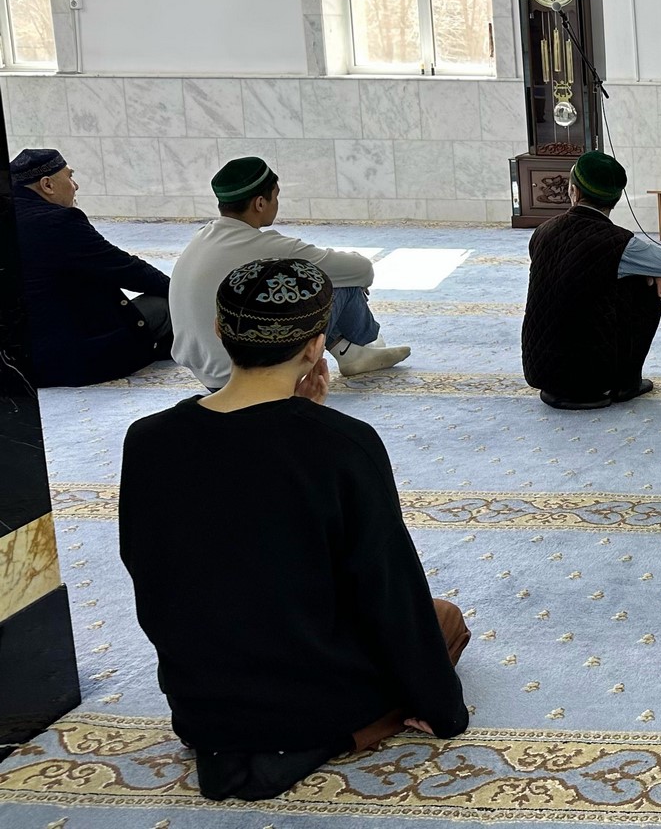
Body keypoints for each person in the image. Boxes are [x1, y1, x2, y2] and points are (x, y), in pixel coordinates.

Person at [119, 258, 470, 802]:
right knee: (443, 619)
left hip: (201, 706)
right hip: (311, 700)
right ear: (315, 347)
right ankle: (320, 739)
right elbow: (388, 591)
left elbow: (153, 568)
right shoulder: (344, 445)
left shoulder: (147, 439)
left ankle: (242, 745)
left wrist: (301, 419)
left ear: (220, 329)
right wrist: (443, 709)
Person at [171, 157, 409, 390]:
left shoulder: (201, 237)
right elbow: (362, 269)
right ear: (260, 203)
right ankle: (367, 342)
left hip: (208, 376)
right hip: (253, 376)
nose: (277, 203)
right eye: (276, 196)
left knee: (301, 286)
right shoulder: (270, 247)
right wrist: (350, 277)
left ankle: (347, 351)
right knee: (339, 282)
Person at [522, 151, 661, 410]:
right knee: (644, 287)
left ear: (573, 191)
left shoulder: (543, 231)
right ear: (616, 199)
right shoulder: (619, 242)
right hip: (593, 377)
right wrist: (650, 270)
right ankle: (627, 382)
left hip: (538, 371)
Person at [11, 147, 172, 386]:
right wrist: (181, 293)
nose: (75, 186)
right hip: (69, 359)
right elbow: (129, 270)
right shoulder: (58, 222)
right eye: (70, 177)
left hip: (16, 363)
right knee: (166, 305)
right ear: (47, 185)